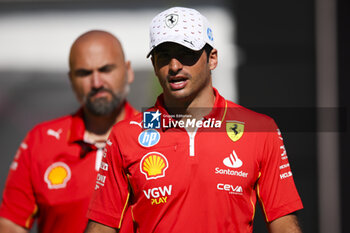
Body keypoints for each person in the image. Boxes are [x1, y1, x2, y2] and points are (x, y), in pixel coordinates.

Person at [85, 7, 303, 233]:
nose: (174, 66)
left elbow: (283, 223)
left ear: (212, 59)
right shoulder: (125, 135)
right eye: (164, 56)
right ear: (154, 65)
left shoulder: (260, 129)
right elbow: (102, 227)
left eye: (187, 53)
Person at [0, 30, 138, 233]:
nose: (97, 82)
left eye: (106, 69)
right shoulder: (40, 141)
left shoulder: (159, 135)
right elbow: (11, 223)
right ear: (71, 80)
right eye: (84, 73)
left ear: (128, 71)